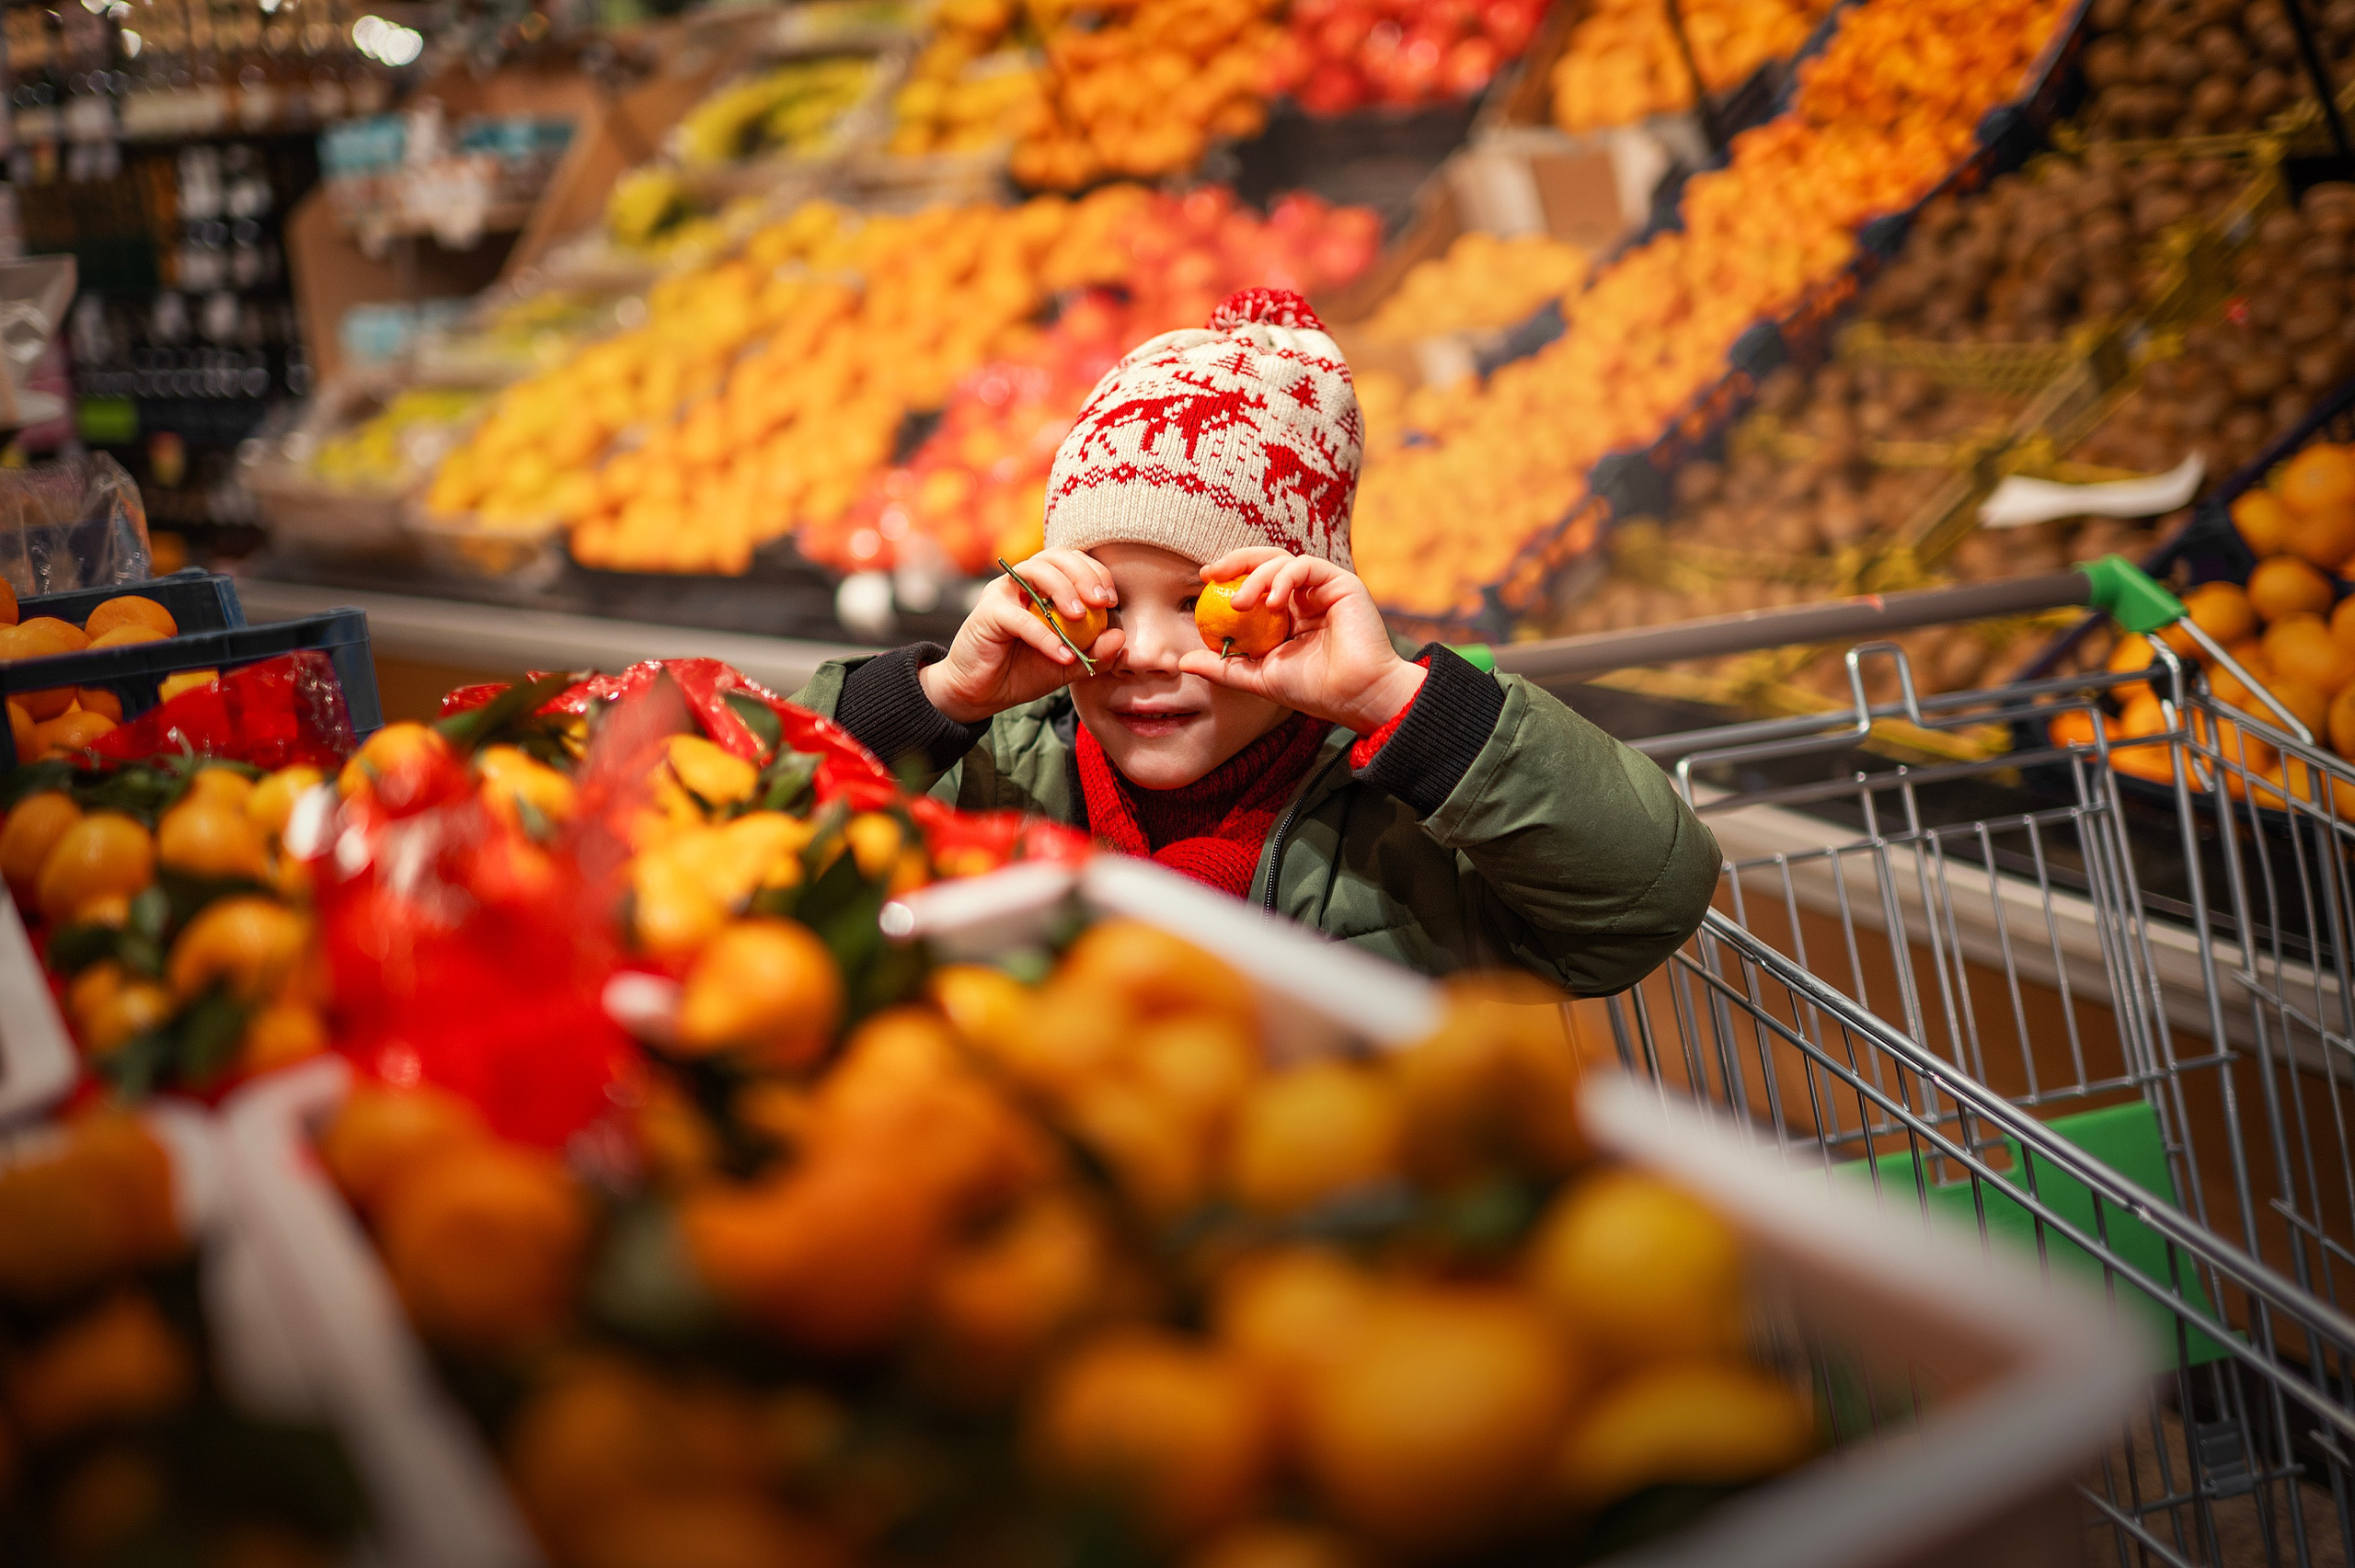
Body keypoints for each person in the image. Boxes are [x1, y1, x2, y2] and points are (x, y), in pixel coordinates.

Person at [794, 288, 1717, 994]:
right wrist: (935, 700)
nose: (1144, 651)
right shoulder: (992, 767)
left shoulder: (1410, 810)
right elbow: (761, 852)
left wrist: (1400, 705)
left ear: (1303, 598)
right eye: (1102, 603)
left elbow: (1644, 900)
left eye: (1201, 604)